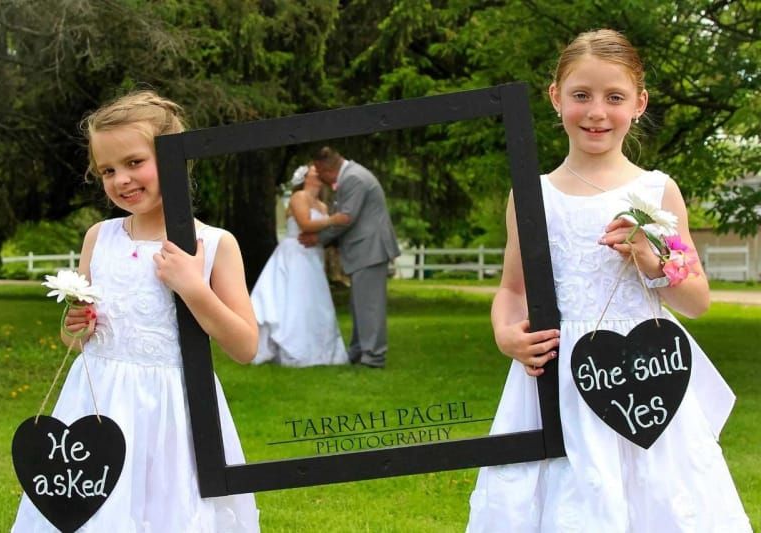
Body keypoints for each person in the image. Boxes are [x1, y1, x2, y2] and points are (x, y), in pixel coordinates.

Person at [466, 30, 751, 532]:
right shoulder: (532, 197)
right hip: (558, 377)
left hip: (646, 374)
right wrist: (506, 333)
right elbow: (513, 290)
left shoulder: (656, 192)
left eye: (614, 97)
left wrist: (653, 261)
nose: (596, 111)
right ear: (556, 98)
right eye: (581, 95)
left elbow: (698, 299)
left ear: (638, 104)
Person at [12, 91, 260, 532]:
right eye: (108, 170)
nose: (121, 179)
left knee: (166, 506)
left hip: (173, 409)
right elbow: (77, 337)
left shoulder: (215, 244)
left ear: (173, 158)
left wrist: (192, 287)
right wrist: (74, 326)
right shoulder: (99, 237)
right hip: (96, 401)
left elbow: (245, 346)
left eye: (133, 162)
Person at [299, 147, 400, 369]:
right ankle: (357, 351)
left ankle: (373, 357)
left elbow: (347, 219)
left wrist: (318, 238)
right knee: (360, 304)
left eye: (319, 172)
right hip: (365, 249)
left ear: (326, 169)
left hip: (370, 249)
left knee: (370, 306)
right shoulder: (351, 175)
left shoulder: (353, 178)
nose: (320, 179)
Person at [251, 164, 350, 367]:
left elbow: (321, 231)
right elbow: (305, 224)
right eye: (315, 171)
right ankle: (292, 349)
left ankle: (321, 351)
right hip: (294, 254)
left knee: (316, 302)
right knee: (295, 300)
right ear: (306, 177)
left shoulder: (322, 206)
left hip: (314, 256)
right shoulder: (299, 198)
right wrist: (334, 219)